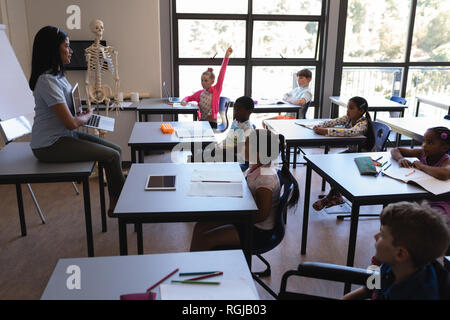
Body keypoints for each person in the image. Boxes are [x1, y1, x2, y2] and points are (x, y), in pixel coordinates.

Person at [28, 26, 125, 217]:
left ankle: (116, 201)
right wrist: (87, 115)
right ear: (53, 49)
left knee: (117, 151)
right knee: (112, 157)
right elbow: (71, 123)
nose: (71, 50)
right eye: (66, 46)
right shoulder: (47, 81)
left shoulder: (58, 76)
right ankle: (121, 205)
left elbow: (68, 114)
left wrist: (80, 112)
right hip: (49, 145)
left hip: (64, 137)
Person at [190, 129, 300, 251]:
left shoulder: (265, 180)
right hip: (245, 217)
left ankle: (201, 268)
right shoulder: (255, 167)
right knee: (200, 226)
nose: (243, 146)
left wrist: (233, 217)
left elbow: (261, 215)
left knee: (206, 239)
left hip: (259, 231)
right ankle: (194, 267)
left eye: (247, 144)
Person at [343, 201, 450, 300]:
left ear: (400, 253)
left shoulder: (421, 295)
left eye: (383, 235)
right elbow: (369, 289)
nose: (375, 236)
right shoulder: (390, 265)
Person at [312, 96, 375, 210]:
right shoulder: (348, 118)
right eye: (347, 107)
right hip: (351, 152)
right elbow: (333, 122)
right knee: (330, 163)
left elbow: (350, 132)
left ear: (361, 111)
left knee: (335, 165)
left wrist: (326, 131)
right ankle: (335, 195)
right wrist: (320, 125)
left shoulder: (363, 123)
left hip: (361, 156)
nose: (347, 110)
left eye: (351, 108)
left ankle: (334, 195)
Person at [390, 126, 450, 222]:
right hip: (420, 196)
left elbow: (445, 174)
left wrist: (421, 166)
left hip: (439, 200)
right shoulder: (422, 153)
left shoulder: (446, 160)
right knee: (397, 209)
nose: (424, 145)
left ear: (444, 148)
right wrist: (400, 158)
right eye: (424, 141)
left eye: (430, 143)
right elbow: (396, 150)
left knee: (429, 219)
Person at [181, 47, 233, 129]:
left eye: (206, 80)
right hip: (202, 122)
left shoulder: (216, 90)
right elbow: (189, 97)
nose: (203, 82)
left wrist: (226, 57)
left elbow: (222, 72)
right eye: (202, 80)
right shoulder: (200, 93)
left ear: (212, 82)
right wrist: (184, 101)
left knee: (209, 140)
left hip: (212, 122)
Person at [219, 96, 255, 171]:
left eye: (239, 110)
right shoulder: (235, 122)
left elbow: (239, 149)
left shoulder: (248, 129)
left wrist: (221, 151)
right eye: (235, 109)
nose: (236, 112)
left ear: (249, 111)